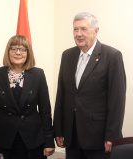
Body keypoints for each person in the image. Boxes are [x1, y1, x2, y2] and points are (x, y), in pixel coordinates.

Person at [53, 12, 126, 159]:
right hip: (71, 136)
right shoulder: (67, 56)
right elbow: (61, 94)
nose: (78, 34)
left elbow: (117, 101)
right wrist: (58, 129)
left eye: (84, 29)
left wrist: (112, 136)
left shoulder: (112, 56)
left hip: (98, 137)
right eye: (75, 29)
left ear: (96, 30)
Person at [0, 35, 55, 159]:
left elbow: (45, 111)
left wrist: (49, 141)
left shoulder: (38, 74)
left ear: (28, 53)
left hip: (33, 140)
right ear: (8, 51)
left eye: (22, 49)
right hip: (4, 140)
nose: (18, 52)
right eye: (13, 48)